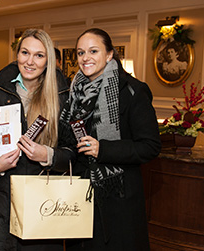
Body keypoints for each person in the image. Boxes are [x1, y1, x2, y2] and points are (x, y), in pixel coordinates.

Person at [58, 28, 161, 250]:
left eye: (93, 51)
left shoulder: (133, 91)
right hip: (80, 195)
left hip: (117, 198)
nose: (86, 58)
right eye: (80, 52)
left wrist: (102, 149)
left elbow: (150, 147)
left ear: (109, 54)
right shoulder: (73, 94)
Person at [0, 29, 70, 251]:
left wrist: (49, 155)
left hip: (44, 204)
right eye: (25, 52)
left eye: (39, 55)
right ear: (16, 54)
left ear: (48, 60)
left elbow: (73, 152)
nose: (30, 61)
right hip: (2, 202)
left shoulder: (61, 96)